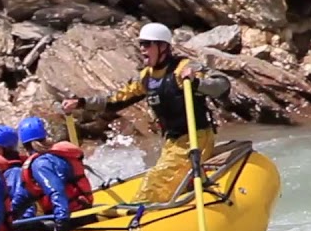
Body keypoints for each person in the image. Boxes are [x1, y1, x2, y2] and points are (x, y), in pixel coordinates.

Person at [61, 22, 230, 203]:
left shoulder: (183, 68)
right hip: (172, 143)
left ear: (163, 47)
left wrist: (196, 82)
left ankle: (142, 210)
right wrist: (81, 103)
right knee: (162, 175)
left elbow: (222, 85)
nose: (142, 49)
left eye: (148, 44)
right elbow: (114, 101)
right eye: (141, 44)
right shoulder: (146, 77)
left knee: (155, 181)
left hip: (195, 139)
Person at [8, 116, 95, 231]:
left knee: (34, 227)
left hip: (75, 217)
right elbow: (24, 195)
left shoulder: (41, 164)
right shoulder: (49, 158)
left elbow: (56, 191)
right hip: (80, 211)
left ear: (24, 144)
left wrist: (62, 220)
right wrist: (8, 217)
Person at [0, 123, 34, 223]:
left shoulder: (15, 172)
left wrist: (7, 221)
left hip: (18, 223)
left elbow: (25, 204)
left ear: (6, 149)